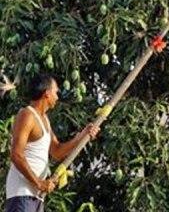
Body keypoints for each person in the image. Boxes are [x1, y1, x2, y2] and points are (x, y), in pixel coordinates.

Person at [5, 74, 99, 212]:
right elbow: (16, 155)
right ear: (47, 93)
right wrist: (39, 183)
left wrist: (83, 135)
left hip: (36, 196)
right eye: (56, 92)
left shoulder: (45, 119)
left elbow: (57, 151)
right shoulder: (27, 115)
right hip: (22, 193)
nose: (57, 96)